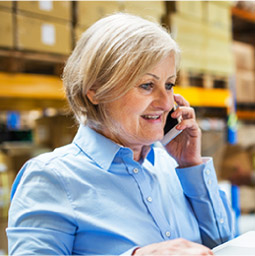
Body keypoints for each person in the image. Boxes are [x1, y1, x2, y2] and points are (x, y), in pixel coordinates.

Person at [7, 13, 235, 255]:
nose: (166, 103)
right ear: (95, 90)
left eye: (169, 85)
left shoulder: (170, 167)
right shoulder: (51, 178)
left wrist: (191, 166)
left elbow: (220, 246)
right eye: (147, 85)